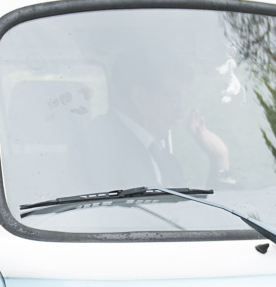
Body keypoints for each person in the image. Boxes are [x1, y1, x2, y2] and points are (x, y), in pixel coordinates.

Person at [87, 54, 235, 190]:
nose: (179, 114)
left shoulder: (162, 157)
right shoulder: (98, 145)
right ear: (140, 98)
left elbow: (188, 210)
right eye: (173, 99)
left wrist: (219, 160)